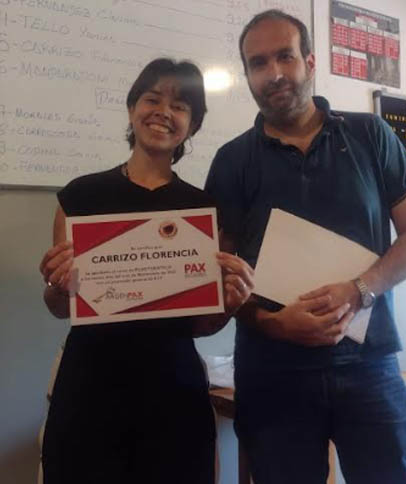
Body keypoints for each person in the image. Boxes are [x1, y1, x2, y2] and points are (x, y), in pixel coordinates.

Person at [204, 10, 406, 484]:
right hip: (272, 373)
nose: (274, 73)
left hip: (370, 366)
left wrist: (360, 289)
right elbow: (219, 277)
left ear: (309, 62)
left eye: (285, 57)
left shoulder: (371, 135)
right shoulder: (231, 161)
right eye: (258, 63)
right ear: (247, 75)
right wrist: (275, 323)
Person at [38, 58, 255, 484]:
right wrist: (55, 283)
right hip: (90, 384)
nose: (163, 112)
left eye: (180, 106)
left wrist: (231, 304)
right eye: (152, 99)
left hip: (172, 388)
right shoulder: (81, 196)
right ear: (132, 108)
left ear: (192, 125)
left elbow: (201, 324)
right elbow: (60, 307)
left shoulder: (203, 210)